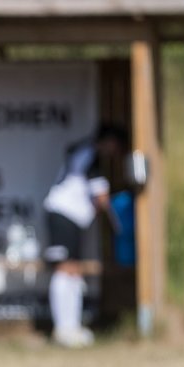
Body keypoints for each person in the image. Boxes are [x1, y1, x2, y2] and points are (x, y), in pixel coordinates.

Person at [42, 123, 128, 348]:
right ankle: (62, 329)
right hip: (63, 215)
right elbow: (101, 197)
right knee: (64, 269)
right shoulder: (91, 155)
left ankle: (71, 326)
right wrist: (116, 221)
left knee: (74, 270)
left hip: (74, 219)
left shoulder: (86, 150)